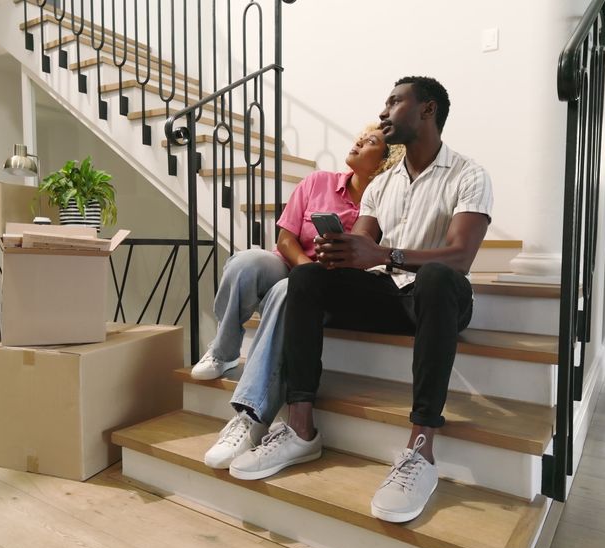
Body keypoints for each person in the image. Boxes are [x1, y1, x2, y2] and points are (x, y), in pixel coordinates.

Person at [227, 76, 493, 525]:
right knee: (307, 277)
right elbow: (363, 244)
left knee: (435, 277)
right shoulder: (381, 184)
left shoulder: (469, 174)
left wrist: (385, 254)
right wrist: (340, 251)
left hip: (438, 300)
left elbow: (460, 257)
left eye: (395, 101)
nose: (384, 111)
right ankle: (301, 427)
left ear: (427, 109)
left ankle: (421, 449)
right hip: (388, 295)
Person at [191, 124, 405, 469]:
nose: (358, 142)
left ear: (385, 162)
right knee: (246, 262)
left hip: (326, 290)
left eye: (370, 142)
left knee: (286, 292)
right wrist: (305, 272)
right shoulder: (317, 182)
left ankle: (250, 416)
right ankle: (223, 351)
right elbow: (285, 240)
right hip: (292, 264)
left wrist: (309, 283)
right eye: (361, 136)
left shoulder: (382, 206)